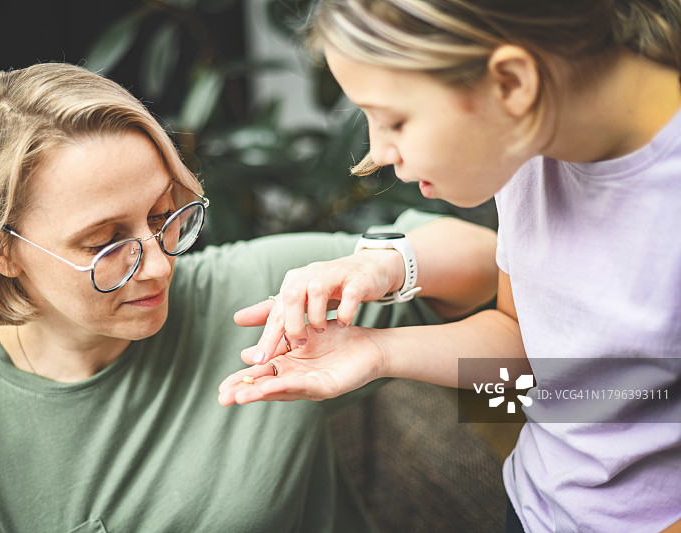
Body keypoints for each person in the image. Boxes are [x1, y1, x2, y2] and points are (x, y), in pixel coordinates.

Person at [0, 62, 499, 532]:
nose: (158, 265)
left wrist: (387, 264)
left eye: (164, 216)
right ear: (0, 251)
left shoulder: (251, 293)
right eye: (105, 244)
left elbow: (500, 280)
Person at [218, 1, 681, 532]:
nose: (378, 153)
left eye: (394, 119)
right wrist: (377, 351)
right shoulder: (530, 142)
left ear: (510, 82)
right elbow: (530, 363)